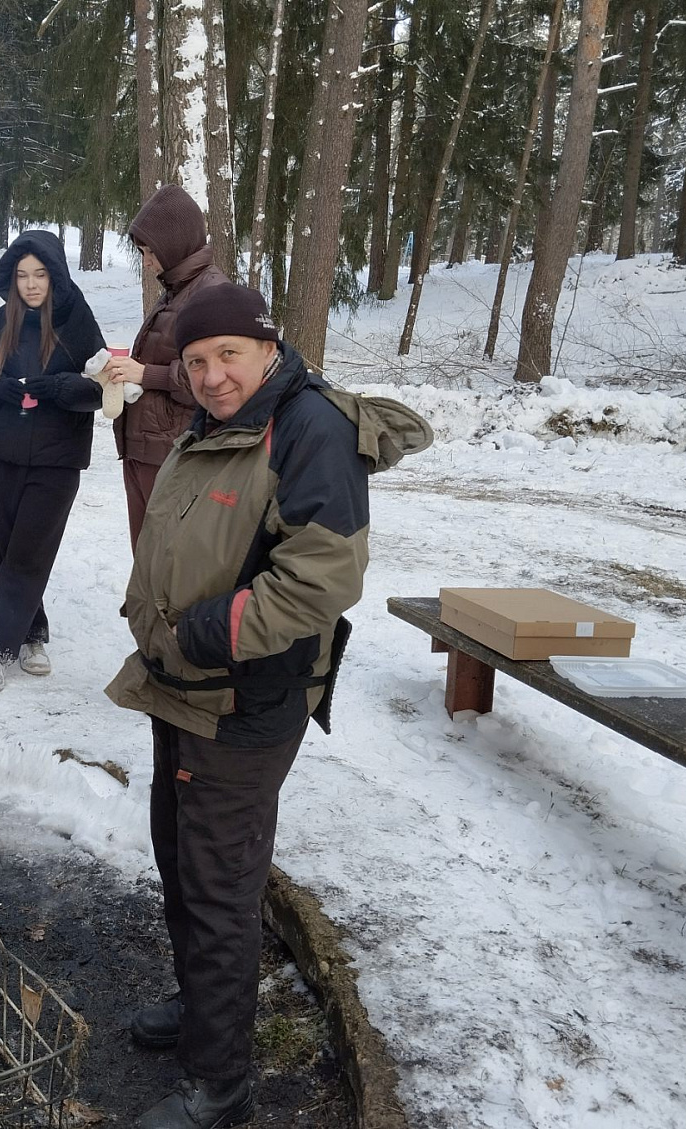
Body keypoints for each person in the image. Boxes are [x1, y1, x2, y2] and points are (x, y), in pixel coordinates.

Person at [105, 282, 432, 1129]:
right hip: (181, 686)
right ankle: (200, 1007)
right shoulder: (224, 417)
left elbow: (322, 576)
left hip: (241, 699)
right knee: (180, 858)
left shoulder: (311, 428)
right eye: (197, 361)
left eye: (229, 357)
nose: (212, 376)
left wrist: (208, 632)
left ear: (268, 349)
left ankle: (220, 1085)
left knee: (219, 887)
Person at [0, 230, 106, 693]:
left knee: (29, 551)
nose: (30, 284)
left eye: (40, 274)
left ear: (55, 276)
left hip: (57, 458)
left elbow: (101, 388)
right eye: (22, 275)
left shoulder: (78, 322)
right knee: (6, 552)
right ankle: (33, 634)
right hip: (3, 451)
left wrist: (63, 388)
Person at [102, 184, 228, 552]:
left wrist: (145, 374)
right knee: (148, 568)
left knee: (168, 569)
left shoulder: (210, 293)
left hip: (173, 456)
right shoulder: (177, 289)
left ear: (173, 244)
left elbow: (216, 380)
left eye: (149, 251)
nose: (146, 262)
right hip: (147, 450)